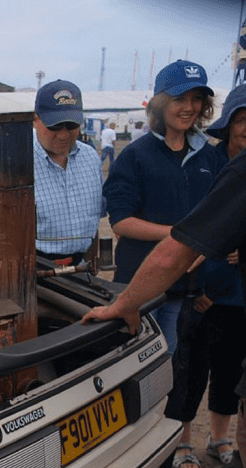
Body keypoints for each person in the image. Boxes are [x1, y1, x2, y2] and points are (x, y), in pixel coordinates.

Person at [82, 146, 246, 468]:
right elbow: (122, 219)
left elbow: (174, 253)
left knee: (173, 373)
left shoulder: (220, 164)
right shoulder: (138, 156)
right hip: (166, 287)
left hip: (176, 287)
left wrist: (124, 303)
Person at [102, 59, 224, 352]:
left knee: (167, 364)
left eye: (196, 99)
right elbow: (121, 221)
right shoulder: (136, 156)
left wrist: (203, 252)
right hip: (140, 289)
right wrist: (177, 235)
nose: (188, 107)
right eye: (178, 98)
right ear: (159, 102)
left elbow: (217, 218)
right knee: (135, 362)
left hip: (186, 288)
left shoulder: (209, 157)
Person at [161, 83, 246, 468]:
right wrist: (201, 286)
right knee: (191, 369)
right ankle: (182, 442)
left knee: (230, 370)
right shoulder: (206, 163)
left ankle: (221, 437)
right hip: (203, 289)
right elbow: (193, 228)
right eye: (242, 119)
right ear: (228, 123)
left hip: (239, 292)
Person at [31, 79, 105, 267]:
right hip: (34, 268)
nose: (63, 135)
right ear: (35, 120)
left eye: (71, 125)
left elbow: (94, 221)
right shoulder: (17, 162)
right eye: (54, 126)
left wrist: (92, 263)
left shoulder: (90, 158)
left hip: (81, 267)